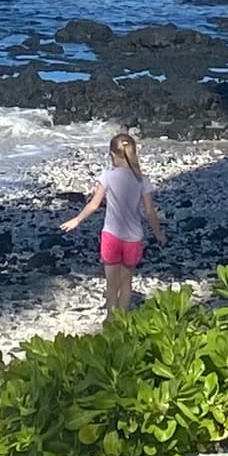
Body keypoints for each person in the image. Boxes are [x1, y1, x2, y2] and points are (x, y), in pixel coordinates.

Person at [60, 128, 163, 320]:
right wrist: (158, 233)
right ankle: (122, 320)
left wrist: (76, 220)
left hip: (111, 236)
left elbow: (94, 204)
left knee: (111, 282)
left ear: (111, 155)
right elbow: (150, 211)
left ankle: (110, 319)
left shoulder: (107, 175)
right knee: (126, 282)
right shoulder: (143, 180)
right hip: (134, 237)